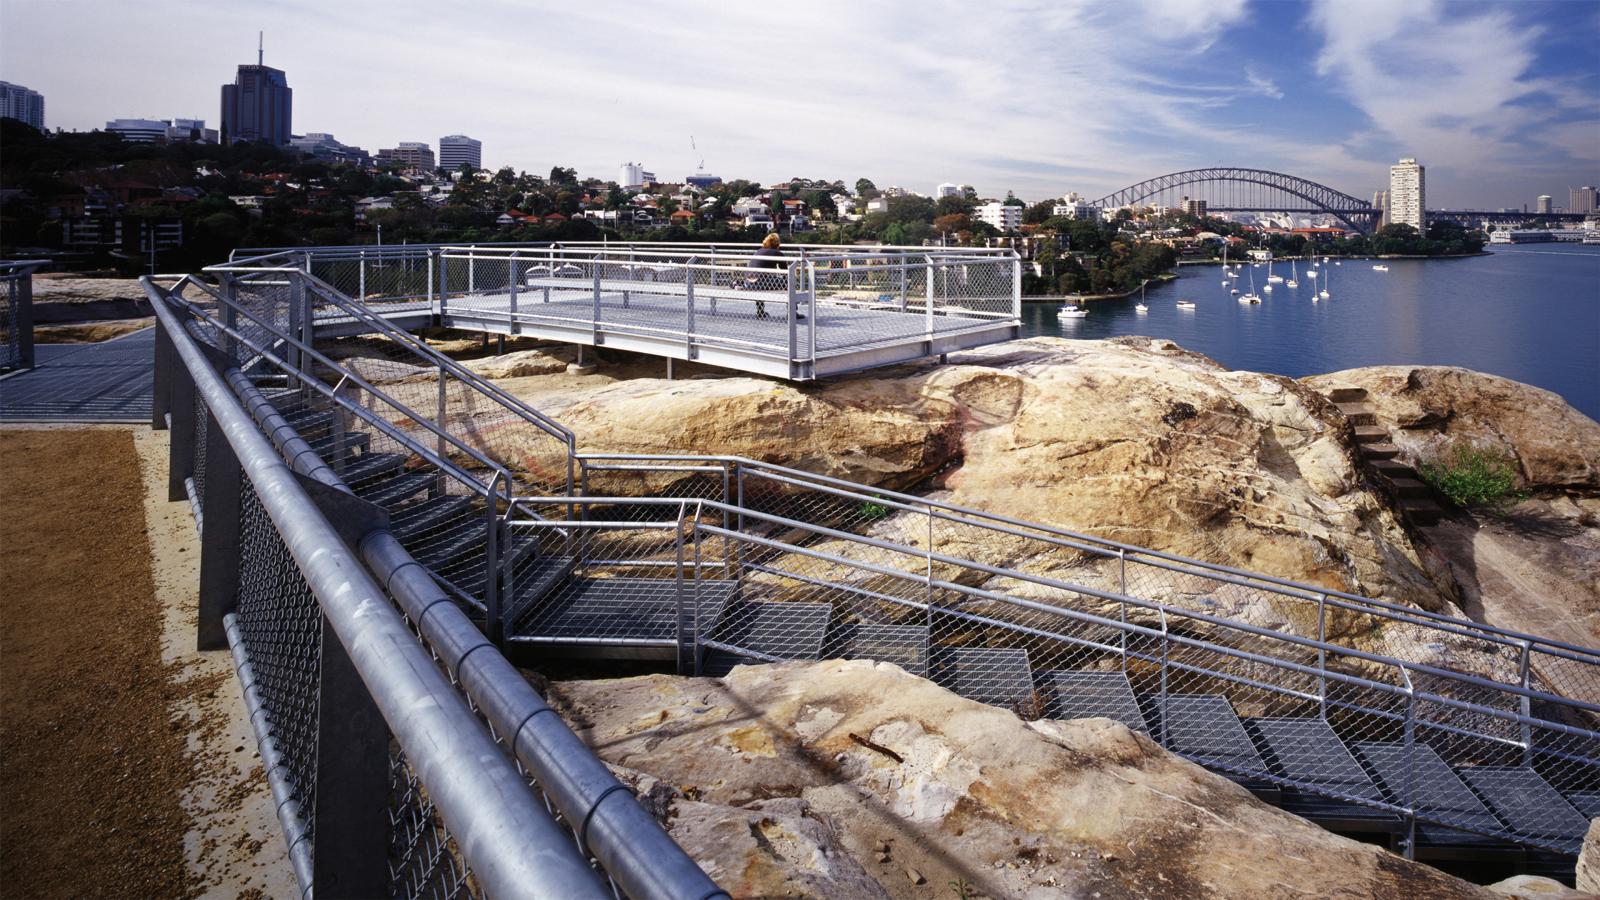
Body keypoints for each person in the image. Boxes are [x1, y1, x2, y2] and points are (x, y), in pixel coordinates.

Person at [746, 232, 803, 320]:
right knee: (790, 282)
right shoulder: (777, 253)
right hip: (761, 283)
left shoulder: (759, 251)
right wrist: (784, 283)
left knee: (760, 283)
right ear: (777, 243)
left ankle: (760, 311)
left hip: (749, 283)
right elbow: (785, 272)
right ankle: (792, 312)